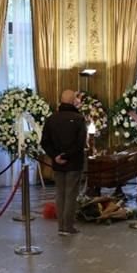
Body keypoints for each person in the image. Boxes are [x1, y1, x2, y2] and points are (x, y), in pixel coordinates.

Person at [41, 89, 88, 235]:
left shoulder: (51, 119)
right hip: (74, 163)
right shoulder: (79, 119)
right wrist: (66, 156)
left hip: (57, 163)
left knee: (60, 194)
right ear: (74, 101)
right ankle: (68, 226)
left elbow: (44, 142)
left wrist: (56, 156)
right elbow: (80, 143)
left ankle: (61, 226)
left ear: (60, 101)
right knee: (71, 194)